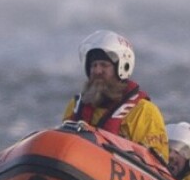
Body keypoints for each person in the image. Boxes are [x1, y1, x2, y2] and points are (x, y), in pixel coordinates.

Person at [62, 30, 169, 162]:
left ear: (122, 68)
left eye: (104, 65)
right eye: (93, 65)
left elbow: (157, 163)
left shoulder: (144, 112)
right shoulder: (75, 106)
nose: (97, 71)